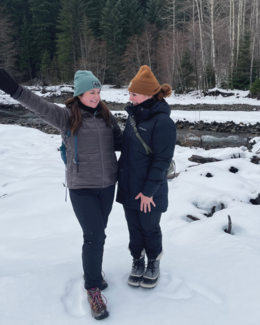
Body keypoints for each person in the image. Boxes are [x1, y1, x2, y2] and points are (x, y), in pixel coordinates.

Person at [0, 69, 122, 320]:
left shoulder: (107, 117)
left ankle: (95, 273)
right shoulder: (66, 117)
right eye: (91, 92)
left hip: (108, 185)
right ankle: (92, 288)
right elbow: (37, 105)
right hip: (81, 187)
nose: (96, 97)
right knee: (94, 235)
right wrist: (11, 87)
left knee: (100, 233)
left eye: (99, 92)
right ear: (79, 94)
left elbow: (123, 143)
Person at [116, 65, 176, 289]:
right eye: (129, 93)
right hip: (129, 187)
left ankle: (153, 262)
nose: (130, 97)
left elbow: (162, 160)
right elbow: (128, 149)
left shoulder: (163, 122)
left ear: (149, 94)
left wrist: (149, 192)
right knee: (134, 229)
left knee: (150, 229)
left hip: (150, 192)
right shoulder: (134, 118)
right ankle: (137, 260)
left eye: (134, 93)